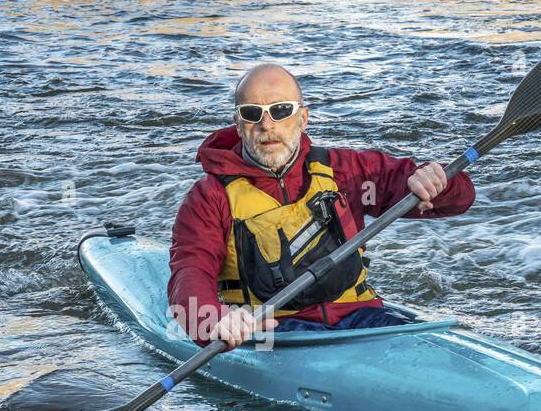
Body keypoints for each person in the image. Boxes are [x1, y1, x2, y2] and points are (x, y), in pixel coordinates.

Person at [168, 63, 475, 350]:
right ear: (237, 124)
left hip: (361, 317)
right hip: (274, 333)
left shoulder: (346, 171)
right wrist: (212, 320)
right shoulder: (209, 198)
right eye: (252, 113)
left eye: (280, 110)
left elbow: (459, 199)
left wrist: (441, 182)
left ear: (303, 118)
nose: (266, 125)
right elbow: (190, 270)